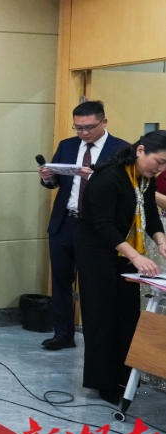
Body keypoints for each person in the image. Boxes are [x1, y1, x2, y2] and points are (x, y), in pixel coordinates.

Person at [74, 130, 166, 404]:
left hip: (123, 254)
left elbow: (150, 212)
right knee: (102, 319)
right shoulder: (108, 177)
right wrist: (136, 257)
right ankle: (103, 382)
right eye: (159, 162)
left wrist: (161, 241)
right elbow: (102, 225)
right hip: (98, 255)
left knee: (127, 317)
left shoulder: (144, 177)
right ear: (141, 151)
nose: (160, 169)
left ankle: (124, 377)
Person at [38, 101, 129, 350]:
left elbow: (125, 190)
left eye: (89, 127)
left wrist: (95, 178)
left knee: (93, 285)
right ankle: (63, 334)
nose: (84, 133)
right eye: (78, 127)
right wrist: (47, 178)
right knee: (61, 280)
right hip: (65, 221)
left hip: (97, 227)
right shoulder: (67, 145)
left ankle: (96, 339)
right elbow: (56, 182)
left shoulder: (121, 149)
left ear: (104, 122)